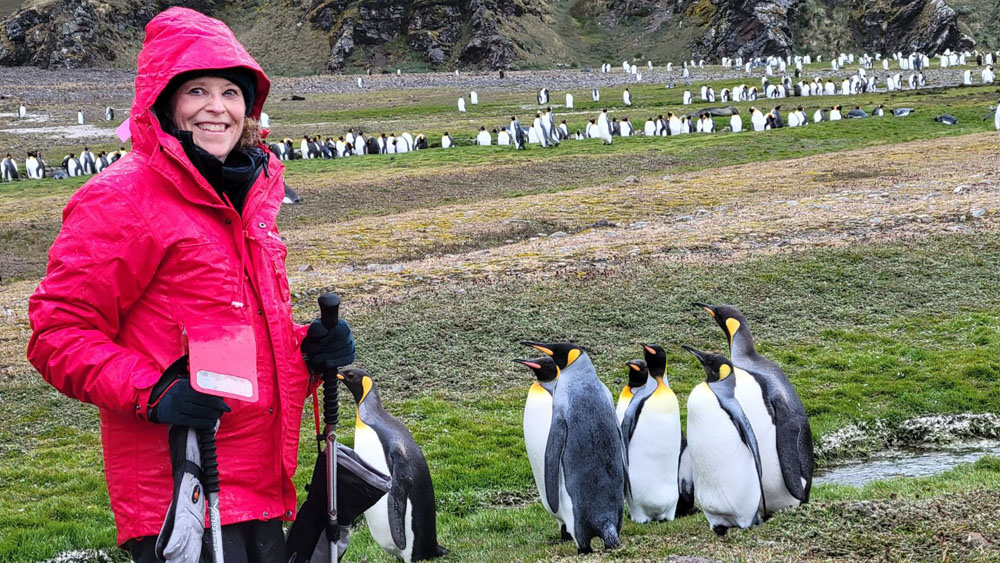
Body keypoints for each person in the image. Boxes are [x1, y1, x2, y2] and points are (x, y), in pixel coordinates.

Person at [25, 7, 354, 562]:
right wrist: (154, 392)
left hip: (263, 487)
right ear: (164, 103)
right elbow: (58, 333)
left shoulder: (244, 197)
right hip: (180, 492)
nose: (216, 107)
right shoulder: (123, 198)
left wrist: (307, 349)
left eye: (230, 91)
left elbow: (228, 334)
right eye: (196, 90)